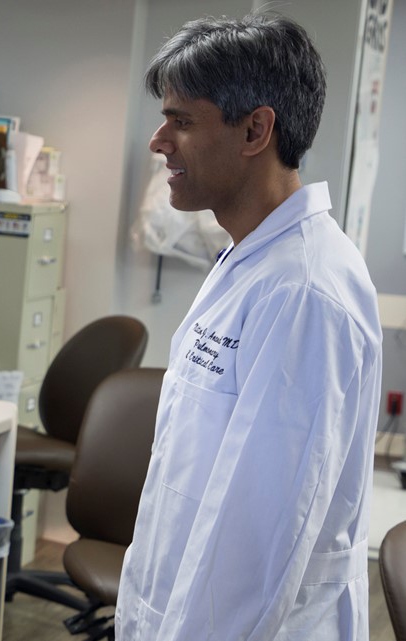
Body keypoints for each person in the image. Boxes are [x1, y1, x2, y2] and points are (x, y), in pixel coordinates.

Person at [116, 12, 383, 640]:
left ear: (256, 129)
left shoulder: (306, 292)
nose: (158, 141)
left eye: (181, 120)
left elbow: (260, 539)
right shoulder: (254, 259)